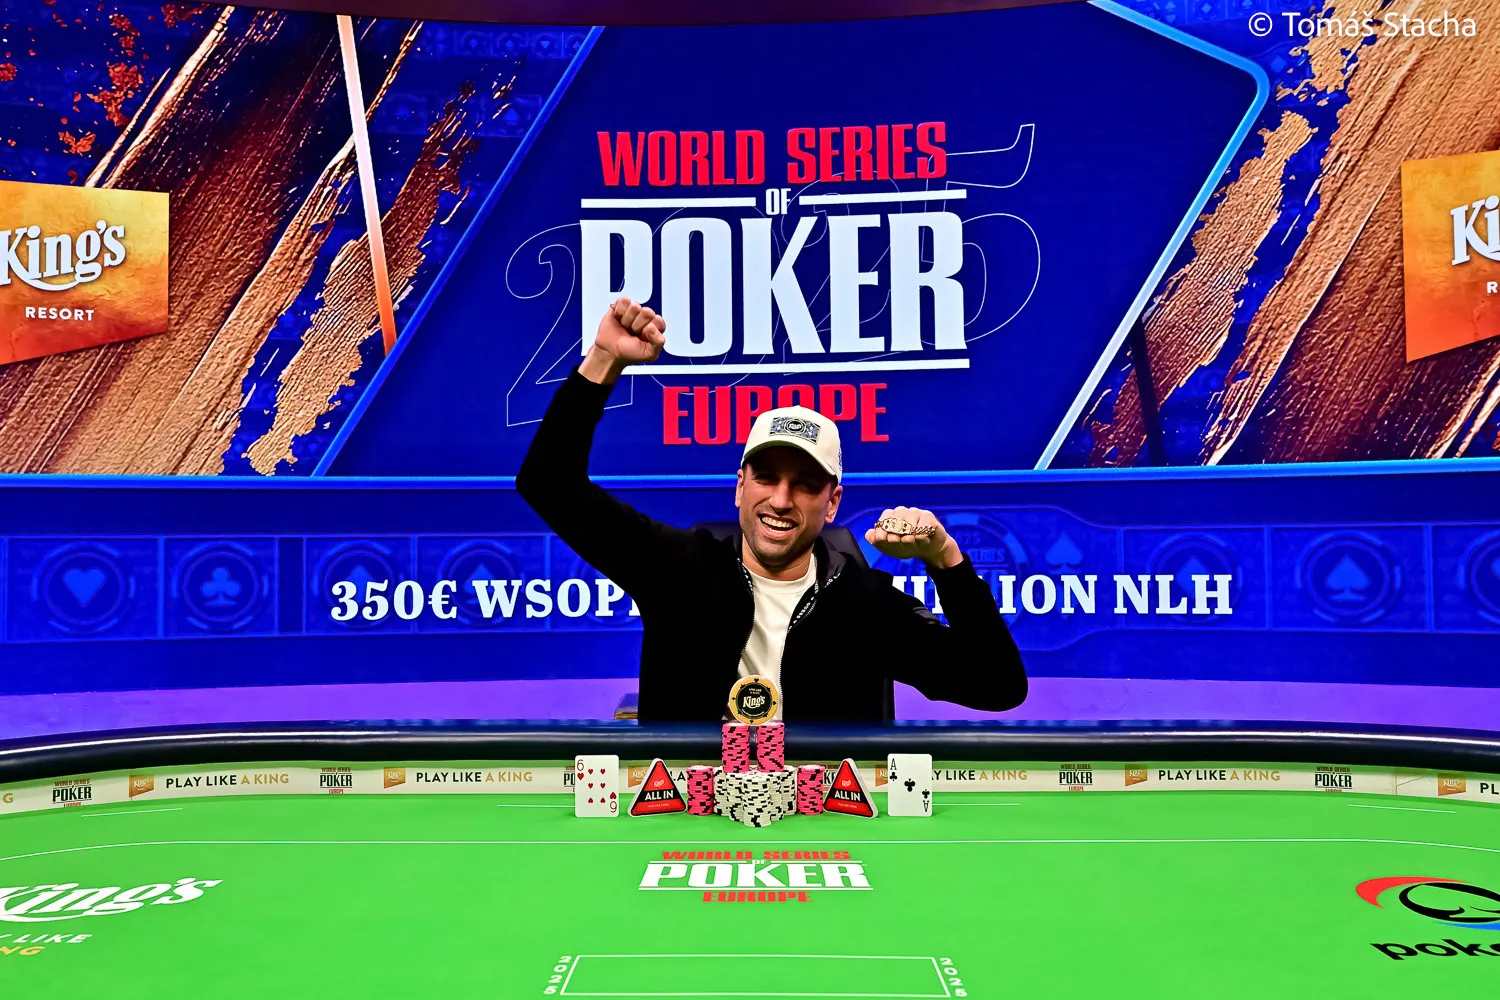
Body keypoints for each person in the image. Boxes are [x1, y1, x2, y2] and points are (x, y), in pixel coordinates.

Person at [517, 298, 1027, 722]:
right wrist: (604, 360)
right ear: (740, 486)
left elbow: (998, 685)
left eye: (805, 485)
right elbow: (547, 483)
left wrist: (946, 560)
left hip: (826, 812)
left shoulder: (864, 603)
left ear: (832, 503)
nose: (781, 500)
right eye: (766, 478)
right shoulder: (678, 569)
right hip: (690, 809)